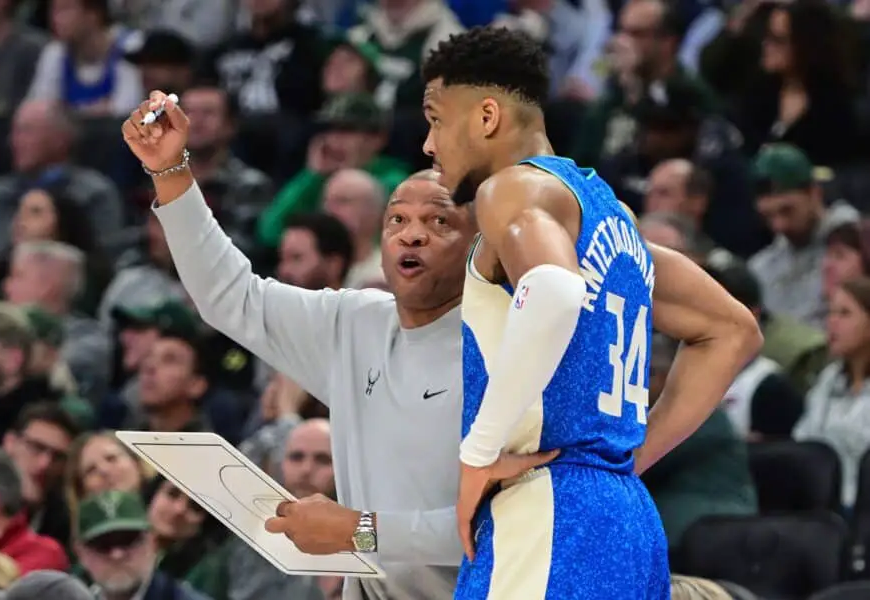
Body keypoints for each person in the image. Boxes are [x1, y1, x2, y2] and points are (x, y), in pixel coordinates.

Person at [120, 98, 555, 600]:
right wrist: (170, 171)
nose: (411, 235)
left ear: (482, 245)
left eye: (439, 223)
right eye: (397, 221)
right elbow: (228, 297)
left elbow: (502, 532)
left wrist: (359, 531)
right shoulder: (354, 321)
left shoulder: (504, 348)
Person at [419, 26, 762, 598]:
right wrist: (626, 458)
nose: (429, 144)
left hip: (548, 512)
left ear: (485, 117)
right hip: (626, 517)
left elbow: (552, 290)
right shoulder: (613, 216)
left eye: (434, 118)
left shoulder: (509, 191)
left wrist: (477, 454)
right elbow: (732, 330)